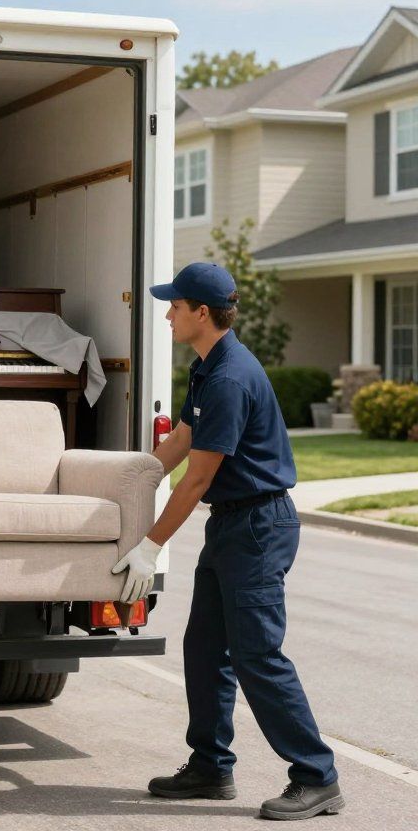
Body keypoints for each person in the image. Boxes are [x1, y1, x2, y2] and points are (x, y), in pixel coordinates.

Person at [111, 261, 345, 821]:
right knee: (205, 649)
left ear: (201, 312)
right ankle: (211, 767)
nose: (167, 314)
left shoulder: (230, 377)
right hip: (233, 526)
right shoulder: (208, 367)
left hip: (258, 527)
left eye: (175, 305)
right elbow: (185, 441)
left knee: (256, 654)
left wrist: (150, 543)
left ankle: (318, 777)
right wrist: (134, 475)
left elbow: (198, 477)